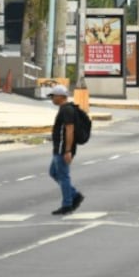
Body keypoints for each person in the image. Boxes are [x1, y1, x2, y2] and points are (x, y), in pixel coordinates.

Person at [47, 85, 85, 215]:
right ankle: (74, 194)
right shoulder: (64, 109)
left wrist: (67, 151)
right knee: (53, 172)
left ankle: (67, 204)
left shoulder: (67, 110)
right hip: (60, 147)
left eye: (53, 96)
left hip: (63, 148)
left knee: (63, 176)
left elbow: (69, 130)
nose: (52, 99)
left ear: (61, 97)